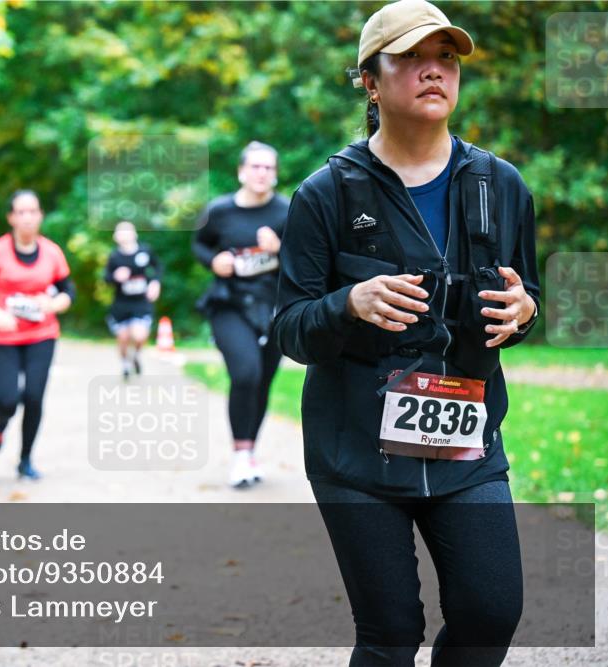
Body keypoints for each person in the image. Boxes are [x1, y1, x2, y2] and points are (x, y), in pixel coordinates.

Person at [272, 1, 539, 664]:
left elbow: (526, 298)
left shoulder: (502, 186)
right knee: (390, 633)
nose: (434, 71)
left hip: (466, 443)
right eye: (412, 57)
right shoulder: (324, 194)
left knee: (489, 612)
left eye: (445, 57)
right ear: (370, 79)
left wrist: (526, 312)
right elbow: (288, 328)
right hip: (355, 452)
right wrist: (348, 302)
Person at [193, 141, 290, 488]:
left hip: (273, 308)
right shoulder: (219, 211)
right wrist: (213, 261)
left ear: (275, 174)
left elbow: (309, 259)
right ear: (241, 172)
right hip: (229, 304)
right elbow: (200, 243)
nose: (262, 173)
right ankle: (238, 456)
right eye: (255, 167)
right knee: (246, 373)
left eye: (268, 167)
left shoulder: (287, 211)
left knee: (263, 380)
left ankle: (249, 452)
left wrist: (282, 249)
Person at [0, 190, 74, 480]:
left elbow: (68, 292)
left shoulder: (52, 252)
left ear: (40, 215)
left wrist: (52, 304)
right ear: (11, 218)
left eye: (33, 212)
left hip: (42, 335)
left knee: (34, 397)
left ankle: (25, 459)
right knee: (8, 398)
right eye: (21, 212)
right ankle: (1, 424)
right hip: (2, 338)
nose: (28, 218)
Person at [103, 221, 162, 379]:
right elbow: (106, 278)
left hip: (141, 302)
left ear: (134, 233)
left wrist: (155, 283)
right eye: (120, 232)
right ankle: (125, 364)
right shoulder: (114, 256)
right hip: (121, 303)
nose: (124, 235)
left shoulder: (145, 251)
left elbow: (158, 268)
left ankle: (135, 355)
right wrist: (116, 277)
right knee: (122, 337)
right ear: (115, 236)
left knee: (139, 335)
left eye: (127, 231)